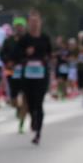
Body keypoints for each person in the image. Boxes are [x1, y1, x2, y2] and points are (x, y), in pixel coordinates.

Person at [16, 10, 52, 145]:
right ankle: (33, 117)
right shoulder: (24, 39)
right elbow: (16, 55)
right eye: (32, 22)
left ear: (40, 23)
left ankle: (38, 133)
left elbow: (49, 54)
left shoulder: (45, 38)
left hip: (41, 75)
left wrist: (46, 60)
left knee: (39, 102)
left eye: (36, 22)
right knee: (30, 103)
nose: (34, 24)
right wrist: (25, 53)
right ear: (28, 24)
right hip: (28, 76)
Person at [1, 17, 29, 133]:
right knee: (13, 99)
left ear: (24, 27)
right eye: (17, 26)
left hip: (26, 71)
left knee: (25, 96)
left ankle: (22, 122)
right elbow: (2, 54)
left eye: (21, 26)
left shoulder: (28, 39)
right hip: (11, 71)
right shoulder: (9, 41)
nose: (19, 28)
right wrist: (8, 61)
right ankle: (18, 108)